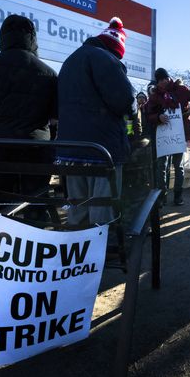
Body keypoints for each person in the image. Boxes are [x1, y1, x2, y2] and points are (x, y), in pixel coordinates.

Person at [0, 15, 57, 197]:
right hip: (36, 146)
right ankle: (35, 221)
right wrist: (47, 138)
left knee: (2, 197)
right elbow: (55, 115)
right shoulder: (48, 72)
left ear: (2, 37)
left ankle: (4, 225)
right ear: (32, 39)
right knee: (36, 196)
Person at [56, 17, 135, 226]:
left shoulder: (70, 61)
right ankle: (102, 253)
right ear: (115, 48)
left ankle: (75, 253)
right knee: (102, 208)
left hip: (70, 150)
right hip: (101, 150)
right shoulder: (105, 59)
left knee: (78, 207)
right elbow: (125, 101)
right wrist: (134, 107)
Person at [145, 67, 190, 206]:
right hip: (163, 136)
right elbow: (148, 115)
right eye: (159, 81)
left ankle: (178, 196)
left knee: (179, 166)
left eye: (164, 79)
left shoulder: (181, 90)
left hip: (179, 134)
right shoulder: (154, 96)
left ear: (168, 78)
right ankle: (161, 197)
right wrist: (158, 117)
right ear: (157, 82)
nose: (162, 83)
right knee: (161, 166)